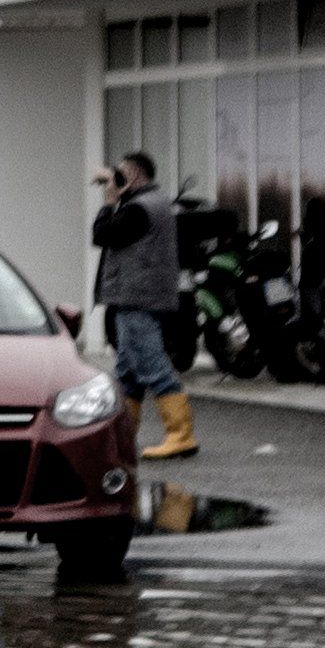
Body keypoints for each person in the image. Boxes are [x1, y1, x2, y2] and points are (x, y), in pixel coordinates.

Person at [91, 150, 192, 459]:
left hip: (137, 298)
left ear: (134, 176)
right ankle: (124, 438)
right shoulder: (155, 202)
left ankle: (181, 434)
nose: (117, 181)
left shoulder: (139, 209)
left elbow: (102, 234)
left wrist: (109, 202)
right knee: (127, 373)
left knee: (151, 366)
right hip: (141, 296)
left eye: (121, 175)